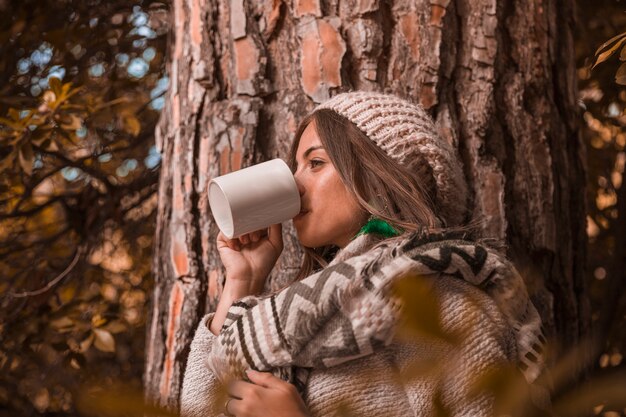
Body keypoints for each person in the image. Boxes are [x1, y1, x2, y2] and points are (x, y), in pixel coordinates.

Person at [180, 91, 547, 417]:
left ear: (378, 176)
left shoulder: (438, 302)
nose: (294, 183)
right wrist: (242, 279)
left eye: (316, 163)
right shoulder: (298, 316)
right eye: (296, 167)